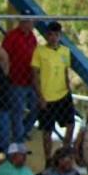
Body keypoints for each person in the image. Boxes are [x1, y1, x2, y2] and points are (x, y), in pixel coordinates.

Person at [32, 22, 73, 160]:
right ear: (46, 36)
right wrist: (40, 97)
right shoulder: (39, 51)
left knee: (71, 124)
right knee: (47, 130)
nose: (53, 37)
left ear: (60, 36)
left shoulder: (65, 51)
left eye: (56, 34)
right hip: (47, 96)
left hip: (63, 94)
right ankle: (48, 159)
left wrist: (68, 89)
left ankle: (65, 152)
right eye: (50, 34)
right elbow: (35, 75)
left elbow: (66, 71)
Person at [3, 19, 38, 145]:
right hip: (16, 79)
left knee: (36, 107)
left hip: (31, 80)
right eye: (28, 22)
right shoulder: (12, 36)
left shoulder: (32, 37)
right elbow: (4, 56)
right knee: (17, 110)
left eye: (32, 22)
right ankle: (18, 138)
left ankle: (24, 131)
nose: (31, 25)